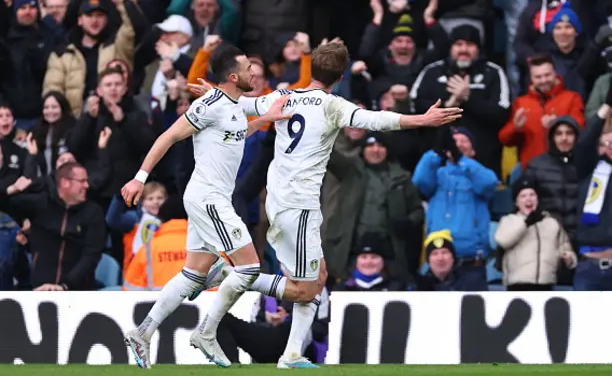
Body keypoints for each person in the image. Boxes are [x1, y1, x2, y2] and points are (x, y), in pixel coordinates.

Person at [188, 40, 463, 368]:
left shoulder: (284, 95)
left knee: (319, 276)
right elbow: (377, 120)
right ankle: (229, 276)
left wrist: (214, 94)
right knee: (306, 289)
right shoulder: (333, 106)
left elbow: (243, 105)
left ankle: (291, 353)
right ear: (340, 75)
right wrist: (423, 120)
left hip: (277, 201)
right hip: (300, 206)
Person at [119, 45, 292, 369]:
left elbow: (236, 132)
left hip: (210, 198)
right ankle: (206, 331)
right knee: (249, 268)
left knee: (191, 275)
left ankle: (142, 332)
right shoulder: (210, 105)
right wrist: (139, 179)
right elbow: (168, 137)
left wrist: (266, 118)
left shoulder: (233, 104)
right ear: (232, 76)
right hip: (208, 198)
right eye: (246, 67)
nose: (253, 72)